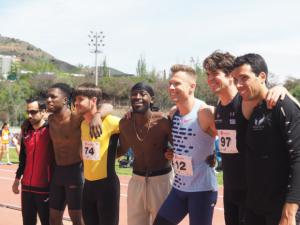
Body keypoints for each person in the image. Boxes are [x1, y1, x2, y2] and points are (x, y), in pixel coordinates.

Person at [232, 53, 300, 225]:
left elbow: (298, 158)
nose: (238, 85)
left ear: (262, 76)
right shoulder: (246, 108)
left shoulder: (282, 105)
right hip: (255, 206)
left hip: (282, 209)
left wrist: (290, 212)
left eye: (244, 78)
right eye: (235, 80)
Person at [153, 64, 218, 225]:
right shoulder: (173, 112)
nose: (171, 87)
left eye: (177, 84)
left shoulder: (205, 112)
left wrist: (215, 154)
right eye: (170, 83)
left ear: (192, 87)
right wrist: (173, 153)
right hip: (179, 187)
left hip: (202, 190)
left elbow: (231, 138)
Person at [46, 83, 105, 225]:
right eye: (47, 97)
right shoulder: (50, 120)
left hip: (75, 172)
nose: (48, 100)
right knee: (53, 219)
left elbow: (108, 106)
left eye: (53, 97)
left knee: (77, 219)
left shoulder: (77, 118)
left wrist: (97, 115)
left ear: (65, 100)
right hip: (58, 172)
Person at [118, 82, 173, 225]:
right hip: (137, 180)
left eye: (142, 94)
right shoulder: (125, 123)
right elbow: (122, 149)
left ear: (152, 99)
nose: (137, 97)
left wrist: (172, 152)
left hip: (161, 180)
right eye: (134, 94)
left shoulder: (163, 122)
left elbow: (177, 145)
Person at [73, 83, 120, 225]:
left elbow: (132, 130)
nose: (76, 103)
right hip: (88, 186)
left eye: (80, 99)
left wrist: (120, 152)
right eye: (75, 99)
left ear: (93, 101)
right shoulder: (83, 125)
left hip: (107, 186)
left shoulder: (111, 121)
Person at [12, 96, 54, 225]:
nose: (29, 115)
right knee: (28, 222)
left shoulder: (51, 130)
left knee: (48, 222)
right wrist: (17, 179)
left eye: (33, 112)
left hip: (45, 188)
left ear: (43, 112)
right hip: (27, 188)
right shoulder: (26, 130)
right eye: (28, 112)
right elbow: (23, 159)